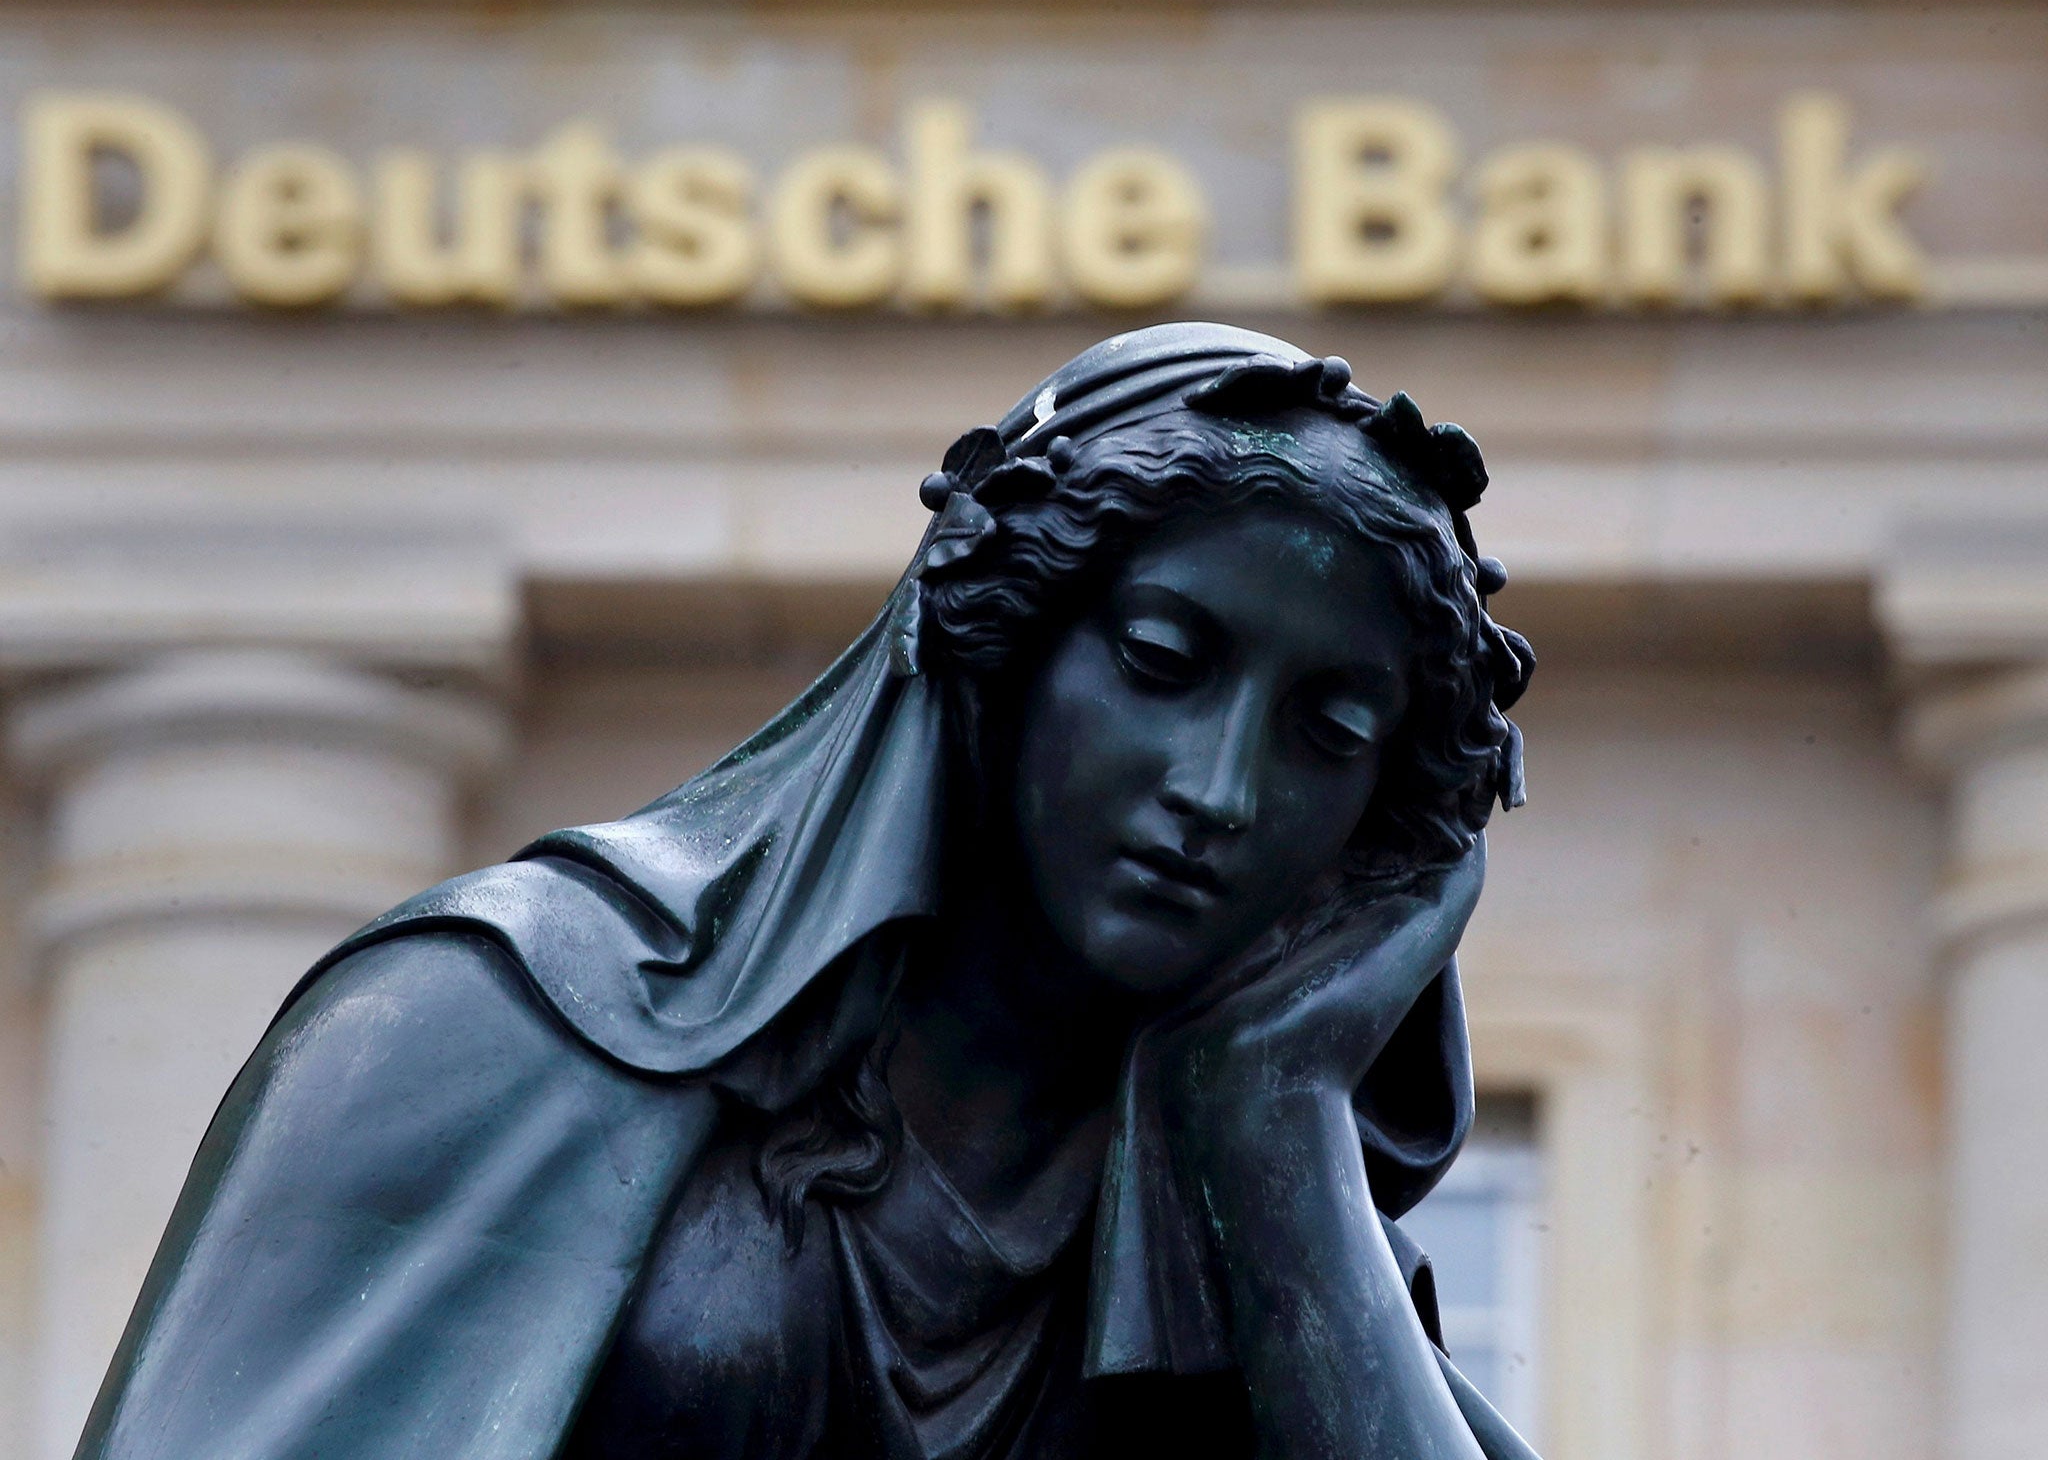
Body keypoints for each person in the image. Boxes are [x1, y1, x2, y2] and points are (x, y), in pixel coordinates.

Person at [74, 323, 1539, 1460]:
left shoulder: (1262, 1243)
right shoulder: (499, 1022)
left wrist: (1278, 1119)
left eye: (1329, 738)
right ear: (1003, 647)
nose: (1219, 790)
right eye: (1160, 665)